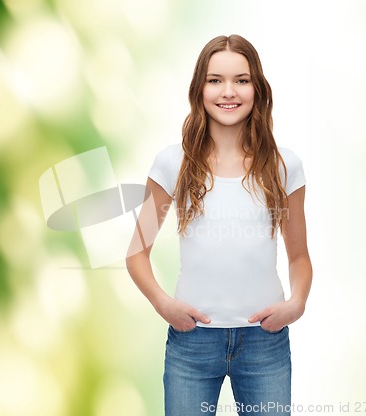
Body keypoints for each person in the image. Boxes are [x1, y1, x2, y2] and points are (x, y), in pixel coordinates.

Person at [126, 34, 312, 416]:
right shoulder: (171, 163)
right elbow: (136, 254)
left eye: (241, 80)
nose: (229, 91)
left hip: (265, 342)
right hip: (191, 343)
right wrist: (164, 305)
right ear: (200, 89)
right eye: (215, 80)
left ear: (257, 89)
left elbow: (299, 257)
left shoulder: (284, 166)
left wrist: (296, 304)